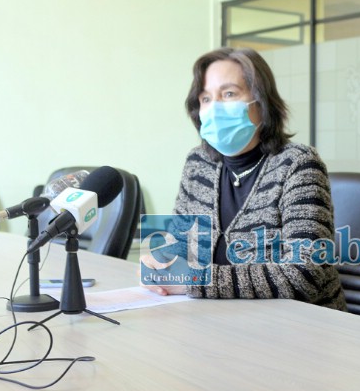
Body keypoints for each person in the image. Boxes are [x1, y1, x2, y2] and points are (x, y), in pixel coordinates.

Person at [144, 47, 346, 311]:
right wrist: (161, 265)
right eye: (206, 98)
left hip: (300, 329)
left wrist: (195, 280)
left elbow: (304, 276)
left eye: (229, 94)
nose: (214, 107)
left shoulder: (298, 163)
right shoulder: (198, 163)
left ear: (261, 103)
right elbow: (182, 253)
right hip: (219, 321)